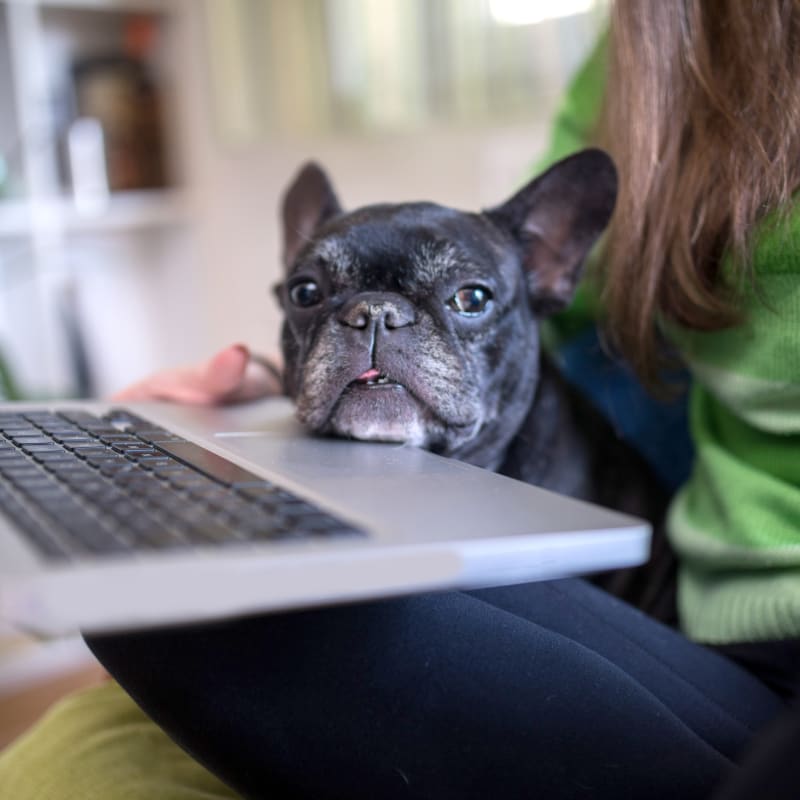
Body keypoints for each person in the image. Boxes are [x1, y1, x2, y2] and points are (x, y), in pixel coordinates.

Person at [1, 2, 798, 798]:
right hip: (706, 610)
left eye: (470, 298)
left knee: (174, 609)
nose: (374, 323)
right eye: (317, 294)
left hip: (732, 655)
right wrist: (263, 393)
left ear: (551, 263)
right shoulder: (654, 54)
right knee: (133, 561)